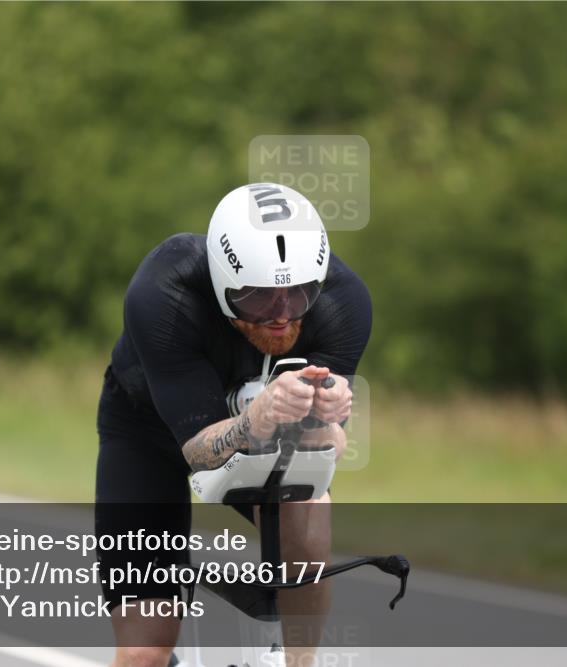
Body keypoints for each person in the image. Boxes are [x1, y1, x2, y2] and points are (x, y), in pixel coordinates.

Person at [95, 183, 372, 667]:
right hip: (148, 430)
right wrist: (253, 419)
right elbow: (197, 452)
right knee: (144, 650)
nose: (282, 317)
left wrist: (326, 422)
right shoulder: (164, 289)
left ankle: (297, 661)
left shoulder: (341, 300)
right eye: (259, 299)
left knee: (310, 499)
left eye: (298, 295)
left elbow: (329, 449)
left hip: (262, 428)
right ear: (223, 281)